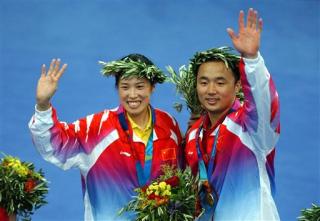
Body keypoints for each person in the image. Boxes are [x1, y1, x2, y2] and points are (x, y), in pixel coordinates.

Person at [28, 54, 183, 221]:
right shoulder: (96, 128)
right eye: (125, 87)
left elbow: (183, 177)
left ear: (152, 87)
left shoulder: (169, 125)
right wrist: (43, 106)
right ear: (117, 88)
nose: (132, 95)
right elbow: (54, 145)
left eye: (140, 86)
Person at [184, 8, 280, 220]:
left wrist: (252, 60)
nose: (210, 90)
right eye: (203, 82)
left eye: (220, 82)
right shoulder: (193, 136)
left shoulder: (250, 127)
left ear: (237, 86)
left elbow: (264, 104)